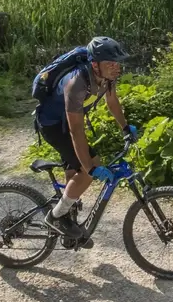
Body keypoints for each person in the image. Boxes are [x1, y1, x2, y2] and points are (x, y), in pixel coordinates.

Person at [36, 36, 136, 245]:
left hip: (67, 123)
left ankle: (67, 229)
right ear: (95, 64)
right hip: (54, 125)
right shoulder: (76, 84)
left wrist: (125, 127)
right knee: (88, 169)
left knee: (75, 173)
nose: (115, 67)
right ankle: (55, 217)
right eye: (110, 63)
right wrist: (89, 168)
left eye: (117, 62)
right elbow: (76, 131)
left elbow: (112, 100)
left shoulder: (107, 76)